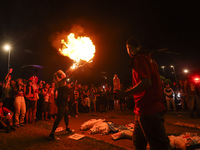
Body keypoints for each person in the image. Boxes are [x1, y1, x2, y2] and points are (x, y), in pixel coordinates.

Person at [120, 37, 169, 150]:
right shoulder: (149, 59)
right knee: (138, 141)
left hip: (149, 108)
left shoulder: (139, 59)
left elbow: (147, 83)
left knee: (160, 146)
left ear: (129, 47)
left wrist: (126, 93)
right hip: (142, 109)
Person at [49, 69, 74, 141]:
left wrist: (56, 98)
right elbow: (70, 75)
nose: (64, 74)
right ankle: (52, 133)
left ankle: (67, 128)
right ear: (61, 75)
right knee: (59, 117)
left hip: (63, 100)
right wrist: (76, 68)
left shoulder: (60, 82)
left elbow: (54, 91)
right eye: (63, 73)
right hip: (62, 101)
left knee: (66, 114)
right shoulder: (62, 81)